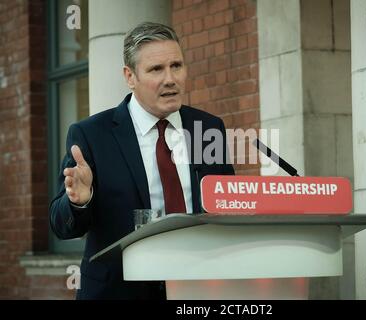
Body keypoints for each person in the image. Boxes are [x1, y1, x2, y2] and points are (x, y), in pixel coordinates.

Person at [49, 22, 235, 300]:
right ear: (130, 76)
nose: (170, 79)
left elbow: (225, 206)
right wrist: (79, 201)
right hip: (118, 292)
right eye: (156, 69)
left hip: (197, 288)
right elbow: (61, 225)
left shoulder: (208, 128)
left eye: (176, 65)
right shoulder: (91, 134)